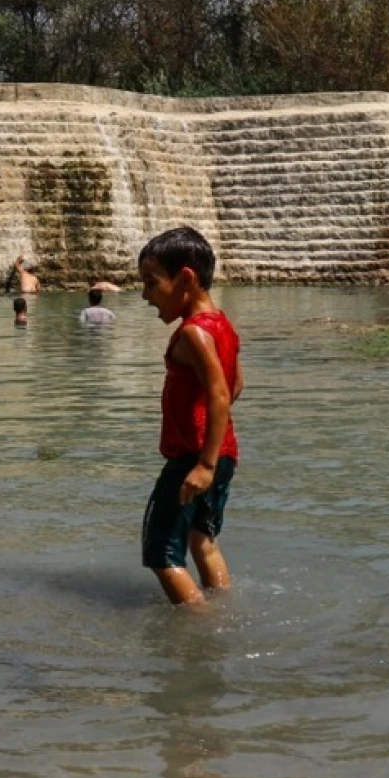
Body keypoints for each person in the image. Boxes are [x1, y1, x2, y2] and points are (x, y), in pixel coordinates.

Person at [137, 226, 244, 606]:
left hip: (193, 459)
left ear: (185, 279)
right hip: (223, 453)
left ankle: (199, 631)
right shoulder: (222, 325)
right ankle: (223, 605)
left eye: (151, 283)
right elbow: (235, 386)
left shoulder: (193, 334)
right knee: (202, 541)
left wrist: (203, 464)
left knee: (162, 554)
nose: (146, 296)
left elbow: (219, 393)